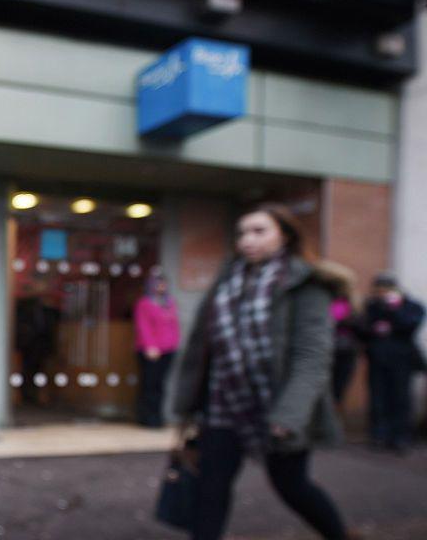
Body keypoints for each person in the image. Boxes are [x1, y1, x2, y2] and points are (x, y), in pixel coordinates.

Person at [172, 203, 354, 540]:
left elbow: (311, 357)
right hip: (224, 402)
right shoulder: (228, 281)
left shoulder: (306, 285)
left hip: (278, 404)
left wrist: (290, 413)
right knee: (209, 489)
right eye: (242, 233)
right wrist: (189, 401)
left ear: (284, 236)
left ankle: (339, 535)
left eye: (259, 231)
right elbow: (203, 345)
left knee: (292, 487)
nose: (247, 240)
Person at [360, 272, 425, 453]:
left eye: (385, 290)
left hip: (402, 360)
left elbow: (410, 325)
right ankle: (379, 435)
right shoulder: (373, 306)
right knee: (378, 398)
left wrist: (394, 309)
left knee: (400, 398)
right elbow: (363, 329)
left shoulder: (411, 306)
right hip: (377, 359)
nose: (381, 294)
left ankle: (400, 436)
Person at [133, 271, 180, 427]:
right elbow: (143, 327)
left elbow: (174, 325)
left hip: (168, 349)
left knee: (160, 385)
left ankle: (158, 416)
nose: (161, 286)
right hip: (151, 350)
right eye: (158, 283)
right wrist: (150, 346)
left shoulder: (169, 303)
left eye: (163, 283)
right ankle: (147, 417)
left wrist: (174, 343)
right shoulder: (144, 303)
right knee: (149, 385)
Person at [318, 261, 362, 405]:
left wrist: (345, 322)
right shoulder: (321, 300)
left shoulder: (351, 302)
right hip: (324, 350)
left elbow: (361, 327)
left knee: (336, 392)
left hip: (344, 351)